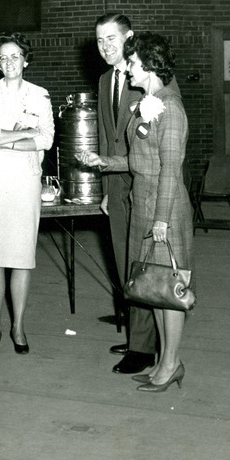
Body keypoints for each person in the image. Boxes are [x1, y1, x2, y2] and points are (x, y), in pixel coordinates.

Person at [78, 32, 192, 392]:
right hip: (143, 202)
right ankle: (162, 360)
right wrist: (104, 162)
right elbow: (138, 160)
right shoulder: (147, 102)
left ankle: (172, 363)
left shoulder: (169, 108)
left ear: (149, 65)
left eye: (132, 63)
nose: (126, 70)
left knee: (170, 291)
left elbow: (171, 169)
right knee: (153, 289)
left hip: (165, 208)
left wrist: (161, 218)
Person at [0, 32, 54, 357]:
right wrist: (22, 135)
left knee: (20, 257)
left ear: (26, 59)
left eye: (15, 56)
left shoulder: (40, 94)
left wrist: (13, 141)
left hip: (24, 179)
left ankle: (18, 324)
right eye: (3, 58)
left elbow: (46, 138)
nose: (9, 63)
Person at [91, 13, 157, 375]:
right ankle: (139, 336)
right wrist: (104, 189)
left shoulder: (146, 76)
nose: (106, 47)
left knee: (144, 265)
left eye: (112, 39)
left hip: (145, 183)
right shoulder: (105, 80)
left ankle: (144, 346)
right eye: (100, 41)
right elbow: (106, 137)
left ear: (130, 37)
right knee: (124, 264)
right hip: (116, 186)